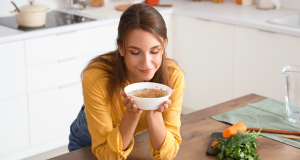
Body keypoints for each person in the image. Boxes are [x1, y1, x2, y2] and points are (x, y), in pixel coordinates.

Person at [68, 3, 185, 160]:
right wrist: (131, 113)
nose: (147, 63)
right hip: (90, 141)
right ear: (121, 48)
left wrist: (154, 113)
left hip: (137, 136)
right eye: (135, 52)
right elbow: (106, 154)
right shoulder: (96, 78)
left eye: (154, 51)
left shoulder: (173, 77)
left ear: (164, 46)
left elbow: (168, 153)